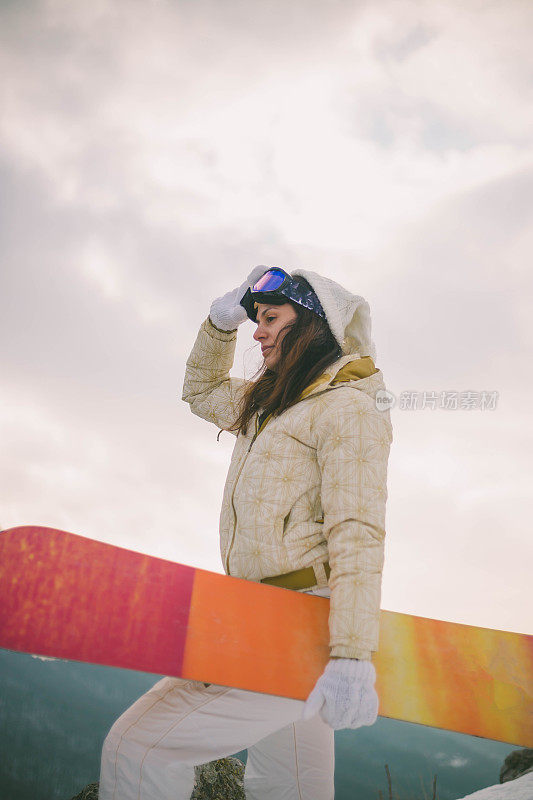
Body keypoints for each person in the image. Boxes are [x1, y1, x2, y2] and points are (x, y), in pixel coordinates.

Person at [99, 266, 393, 800]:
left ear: (312, 325)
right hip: (252, 613)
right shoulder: (270, 405)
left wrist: (352, 655)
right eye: (255, 318)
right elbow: (201, 388)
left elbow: (357, 531)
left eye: (270, 318)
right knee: (290, 786)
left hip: (297, 624)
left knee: (138, 747)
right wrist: (219, 320)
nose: (256, 332)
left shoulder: (349, 407)